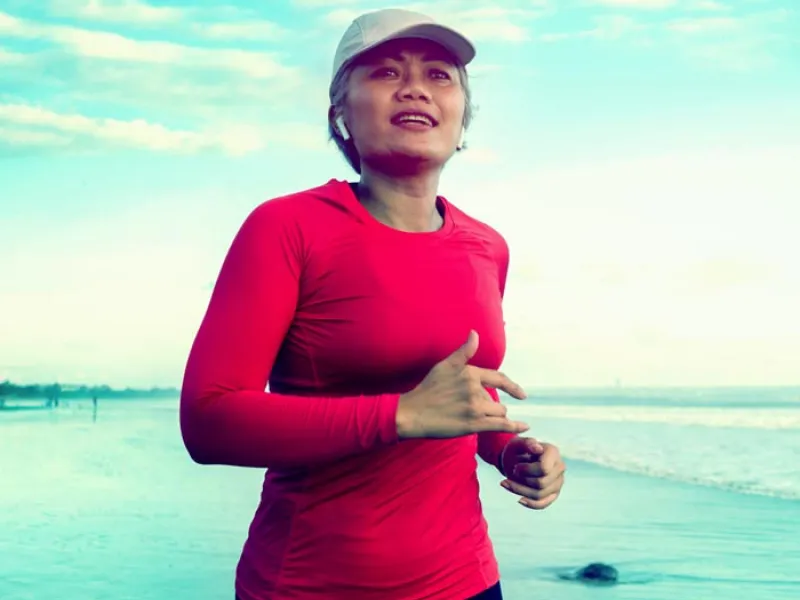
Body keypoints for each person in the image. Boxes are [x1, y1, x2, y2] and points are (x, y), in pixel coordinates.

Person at [179, 8, 566, 600]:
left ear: (462, 115)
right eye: (386, 72)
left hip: (467, 581)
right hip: (309, 584)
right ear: (340, 113)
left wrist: (509, 450)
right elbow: (209, 422)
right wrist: (398, 416)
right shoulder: (286, 227)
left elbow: (460, 394)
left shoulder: (488, 247)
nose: (415, 88)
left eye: (439, 75)